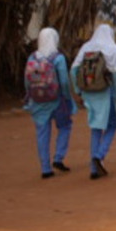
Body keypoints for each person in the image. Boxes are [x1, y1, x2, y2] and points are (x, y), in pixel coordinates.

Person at [72, 23, 116, 180]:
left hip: (88, 93)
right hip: (105, 93)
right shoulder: (113, 49)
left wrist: (78, 91)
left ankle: (94, 169)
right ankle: (99, 155)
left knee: (95, 127)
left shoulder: (87, 47)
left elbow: (73, 69)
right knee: (112, 125)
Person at [23, 27, 73, 179]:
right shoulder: (58, 58)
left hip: (38, 101)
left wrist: (30, 95)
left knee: (42, 133)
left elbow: (27, 80)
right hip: (56, 100)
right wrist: (67, 97)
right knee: (65, 126)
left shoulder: (32, 58)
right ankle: (58, 157)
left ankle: (45, 168)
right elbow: (64, 81)